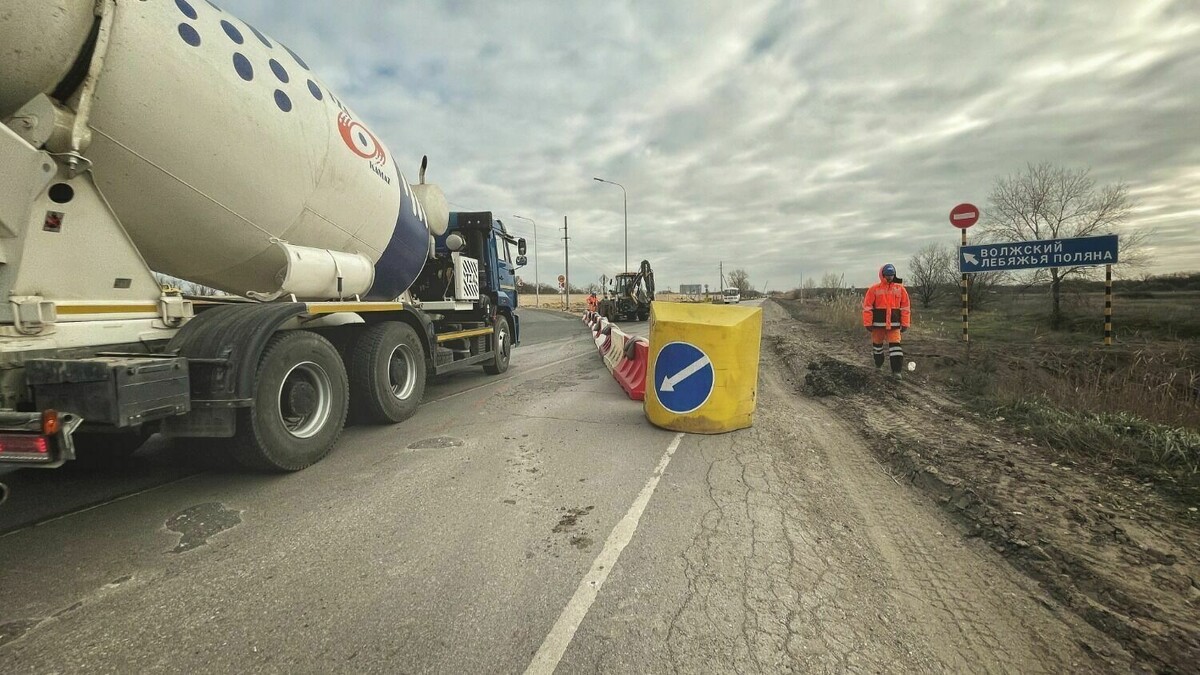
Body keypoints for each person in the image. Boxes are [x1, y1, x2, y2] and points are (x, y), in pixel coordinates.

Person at [862, 263, 911, 377]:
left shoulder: (900, 289)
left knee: (896, 348)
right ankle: (878, 364)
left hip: (894, 325)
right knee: (877, 347)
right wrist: (868, 323)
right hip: (878, 325)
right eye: (887, 275)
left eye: (892, 275)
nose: (889, 277)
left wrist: (905, 323)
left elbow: (905, 308)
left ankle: (896, 371)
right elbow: (867, 307)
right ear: (882, 275)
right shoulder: (874, 289)